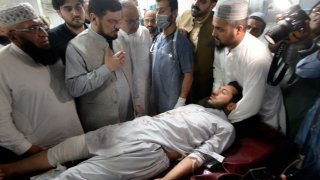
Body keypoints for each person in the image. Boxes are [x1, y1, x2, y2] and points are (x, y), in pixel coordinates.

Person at [0, 82, 243, 180]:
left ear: (232, 105)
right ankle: (8, 169)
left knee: (75, 177)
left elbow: (198, 156)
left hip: (149, 150)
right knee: (62, 150)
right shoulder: (192, 105)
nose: (215, 91)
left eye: (223, 92)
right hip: (128, 129)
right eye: (218, 88)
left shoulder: (225, 127)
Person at [0, 3, 83, 158]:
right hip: (42, 151)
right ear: (13, 36)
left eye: (43, 25)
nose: (44, 33)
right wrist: (26, 148)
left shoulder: (47, 53)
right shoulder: (3, 65)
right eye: (33, 29)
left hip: (76, 139)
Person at [212, 0, 286, 133]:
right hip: (233, 111)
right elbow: (218, 72)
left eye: (220, 29)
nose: (213, 33)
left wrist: (220, 121)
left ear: (239, 29)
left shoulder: (257, 57)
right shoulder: (223, 43)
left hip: (262, 116)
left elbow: (251, 104)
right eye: (214, 27)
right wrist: (216, 105)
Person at [65, 0, 134, 132]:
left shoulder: (121, 37)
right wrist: (106, 69)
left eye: (120, 20)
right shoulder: (76, 47)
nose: (118, 26)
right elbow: (73, 87)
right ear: (93, 18)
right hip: (101, 126)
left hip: (127, 116)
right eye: (112, 21)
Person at [150, 0, 194, 114]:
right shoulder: (157, 39)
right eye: (157, 10)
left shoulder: (181, 42)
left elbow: (188, 74)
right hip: (156, 99)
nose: (158, 15)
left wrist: (181, 101)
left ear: (174, 13)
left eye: (163, 10)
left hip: (171, 104)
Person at [113, 0, 152, 116]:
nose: (135, 25)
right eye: (130, 21)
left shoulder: (144, 33)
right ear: (118, 19)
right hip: (124, 97)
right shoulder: (114, 38)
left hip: (145, 91)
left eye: (137, 19)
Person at [176, 0, 217, 104]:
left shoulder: (217, 23)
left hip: (204, 85)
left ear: (212, 5)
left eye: (202, 1)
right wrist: (180, 36)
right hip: (182, 80)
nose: (195, 4)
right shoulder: (185, 15)